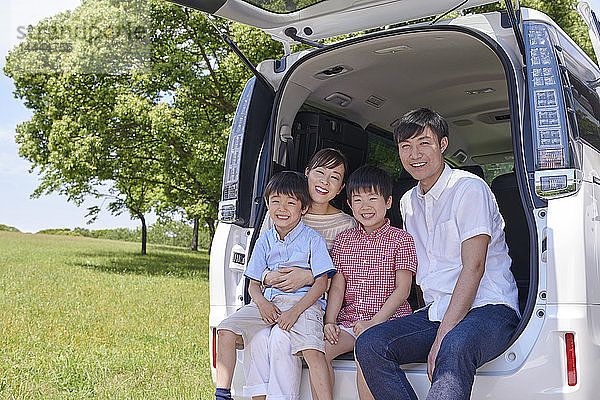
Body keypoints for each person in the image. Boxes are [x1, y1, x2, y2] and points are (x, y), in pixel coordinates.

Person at [355, 108, 520, 400]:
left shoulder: (469, 189)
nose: (414, 154)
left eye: (423, 143)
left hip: (490, 307)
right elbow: (421, 272)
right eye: (405, 146)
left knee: (454, 346)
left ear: (442, 144)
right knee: (370, 344)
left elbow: (475, 266)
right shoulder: (408, 203)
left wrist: (443, 336)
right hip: (437, 311)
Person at [242, 148, 357, 400]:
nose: (325, 181)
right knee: (261, 340)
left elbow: (341, 275)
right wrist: (267, 279)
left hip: (311, 303)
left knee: (282, 340)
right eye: (320, 172)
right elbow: (260, 263)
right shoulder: (281, 211)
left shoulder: (346, 224)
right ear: (307, 174)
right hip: (274, 300)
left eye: (335, 177)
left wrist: (307, 277)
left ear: (341, 188)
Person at [214, 171, 336, 400]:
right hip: (269, 303)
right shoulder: (265, 239)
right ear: (268, 204)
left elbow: (322, 283)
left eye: (291, 203)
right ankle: (222, 394)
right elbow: (253, 284)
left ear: (304, 208)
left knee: (312, 349)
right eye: (275, 201)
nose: (282, 208)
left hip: (304, 304)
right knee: (225, 329)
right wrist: (261, 304)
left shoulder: (312, 239)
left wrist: (294, 311)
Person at [323, 165, 417, 400]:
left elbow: (403, 290)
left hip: (388, 322)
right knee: (318, 350)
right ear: (349, 204)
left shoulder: (401, 239)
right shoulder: (344, 240)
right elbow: (337, 285)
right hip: (351, 321)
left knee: (365, 351)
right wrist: (330, 321)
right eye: (357, 200)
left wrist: (374, 322)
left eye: (373, 198)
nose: (365, 206)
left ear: (388, 202)